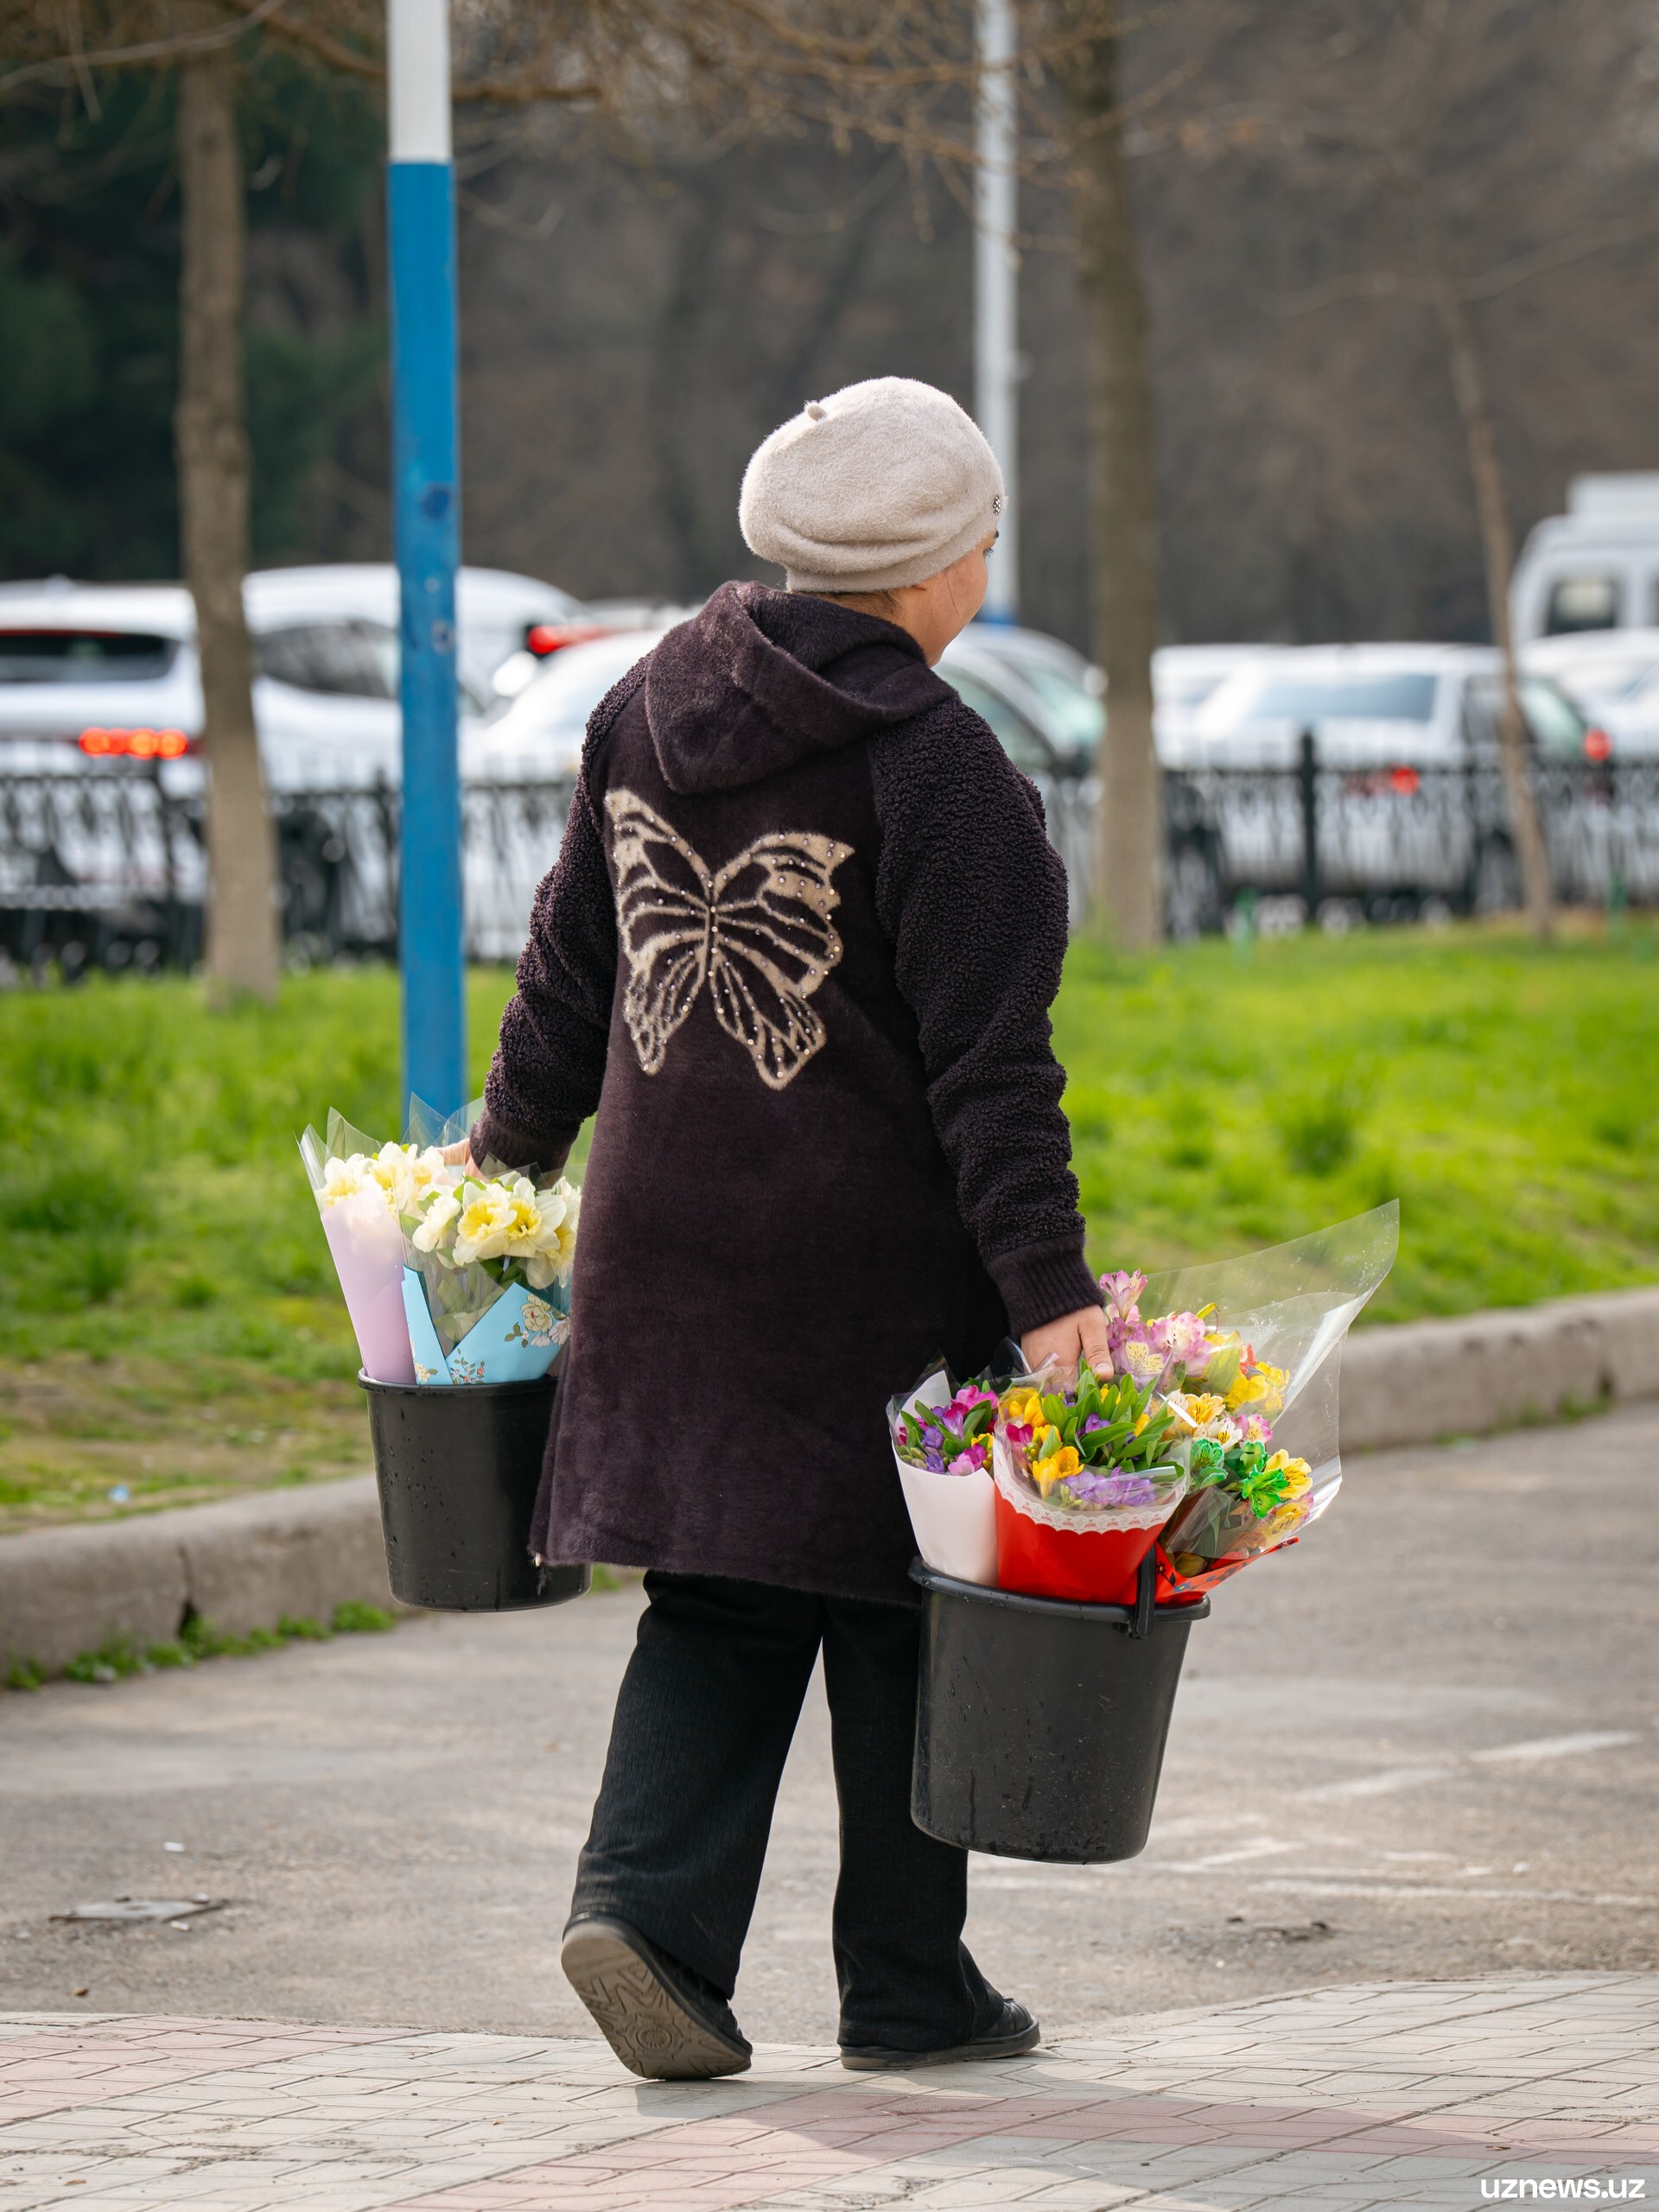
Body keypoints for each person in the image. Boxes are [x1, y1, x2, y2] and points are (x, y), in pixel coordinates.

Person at [472, 375, 1111, 2082]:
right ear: (934, 564)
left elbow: (568, 971)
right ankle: (907, 1988)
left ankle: (644, 1916)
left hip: (661, 1258)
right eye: (984, 536)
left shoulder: (640, 709)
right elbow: (994, 1071)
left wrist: (500, 1157)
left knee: (720, 1592)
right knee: (906, 1608)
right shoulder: (938, 767)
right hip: (863, 1280)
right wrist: (1049, 1294)